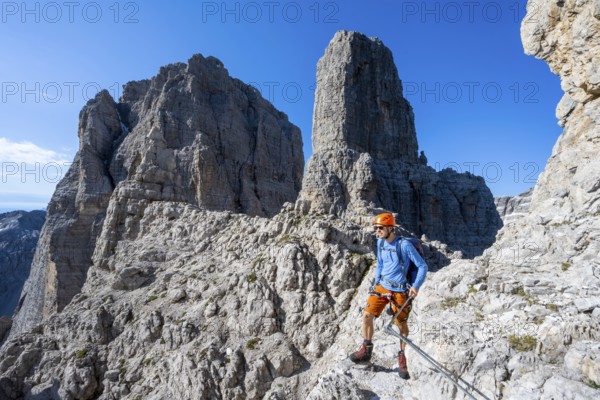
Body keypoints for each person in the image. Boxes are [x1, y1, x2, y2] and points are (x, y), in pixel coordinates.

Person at [349, 212, 428, 379]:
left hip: (400, 291)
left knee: (402, 326)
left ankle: (402, 357)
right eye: (376, 228)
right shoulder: (380, 243)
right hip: (382, 287)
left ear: (390, 228)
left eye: (380, 228)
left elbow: (422, 266)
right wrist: (375, 283)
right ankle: (366, 350)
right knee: (367, 316)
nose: (377, 231)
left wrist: (415, 286)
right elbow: (380, 264)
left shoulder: (404, 245)